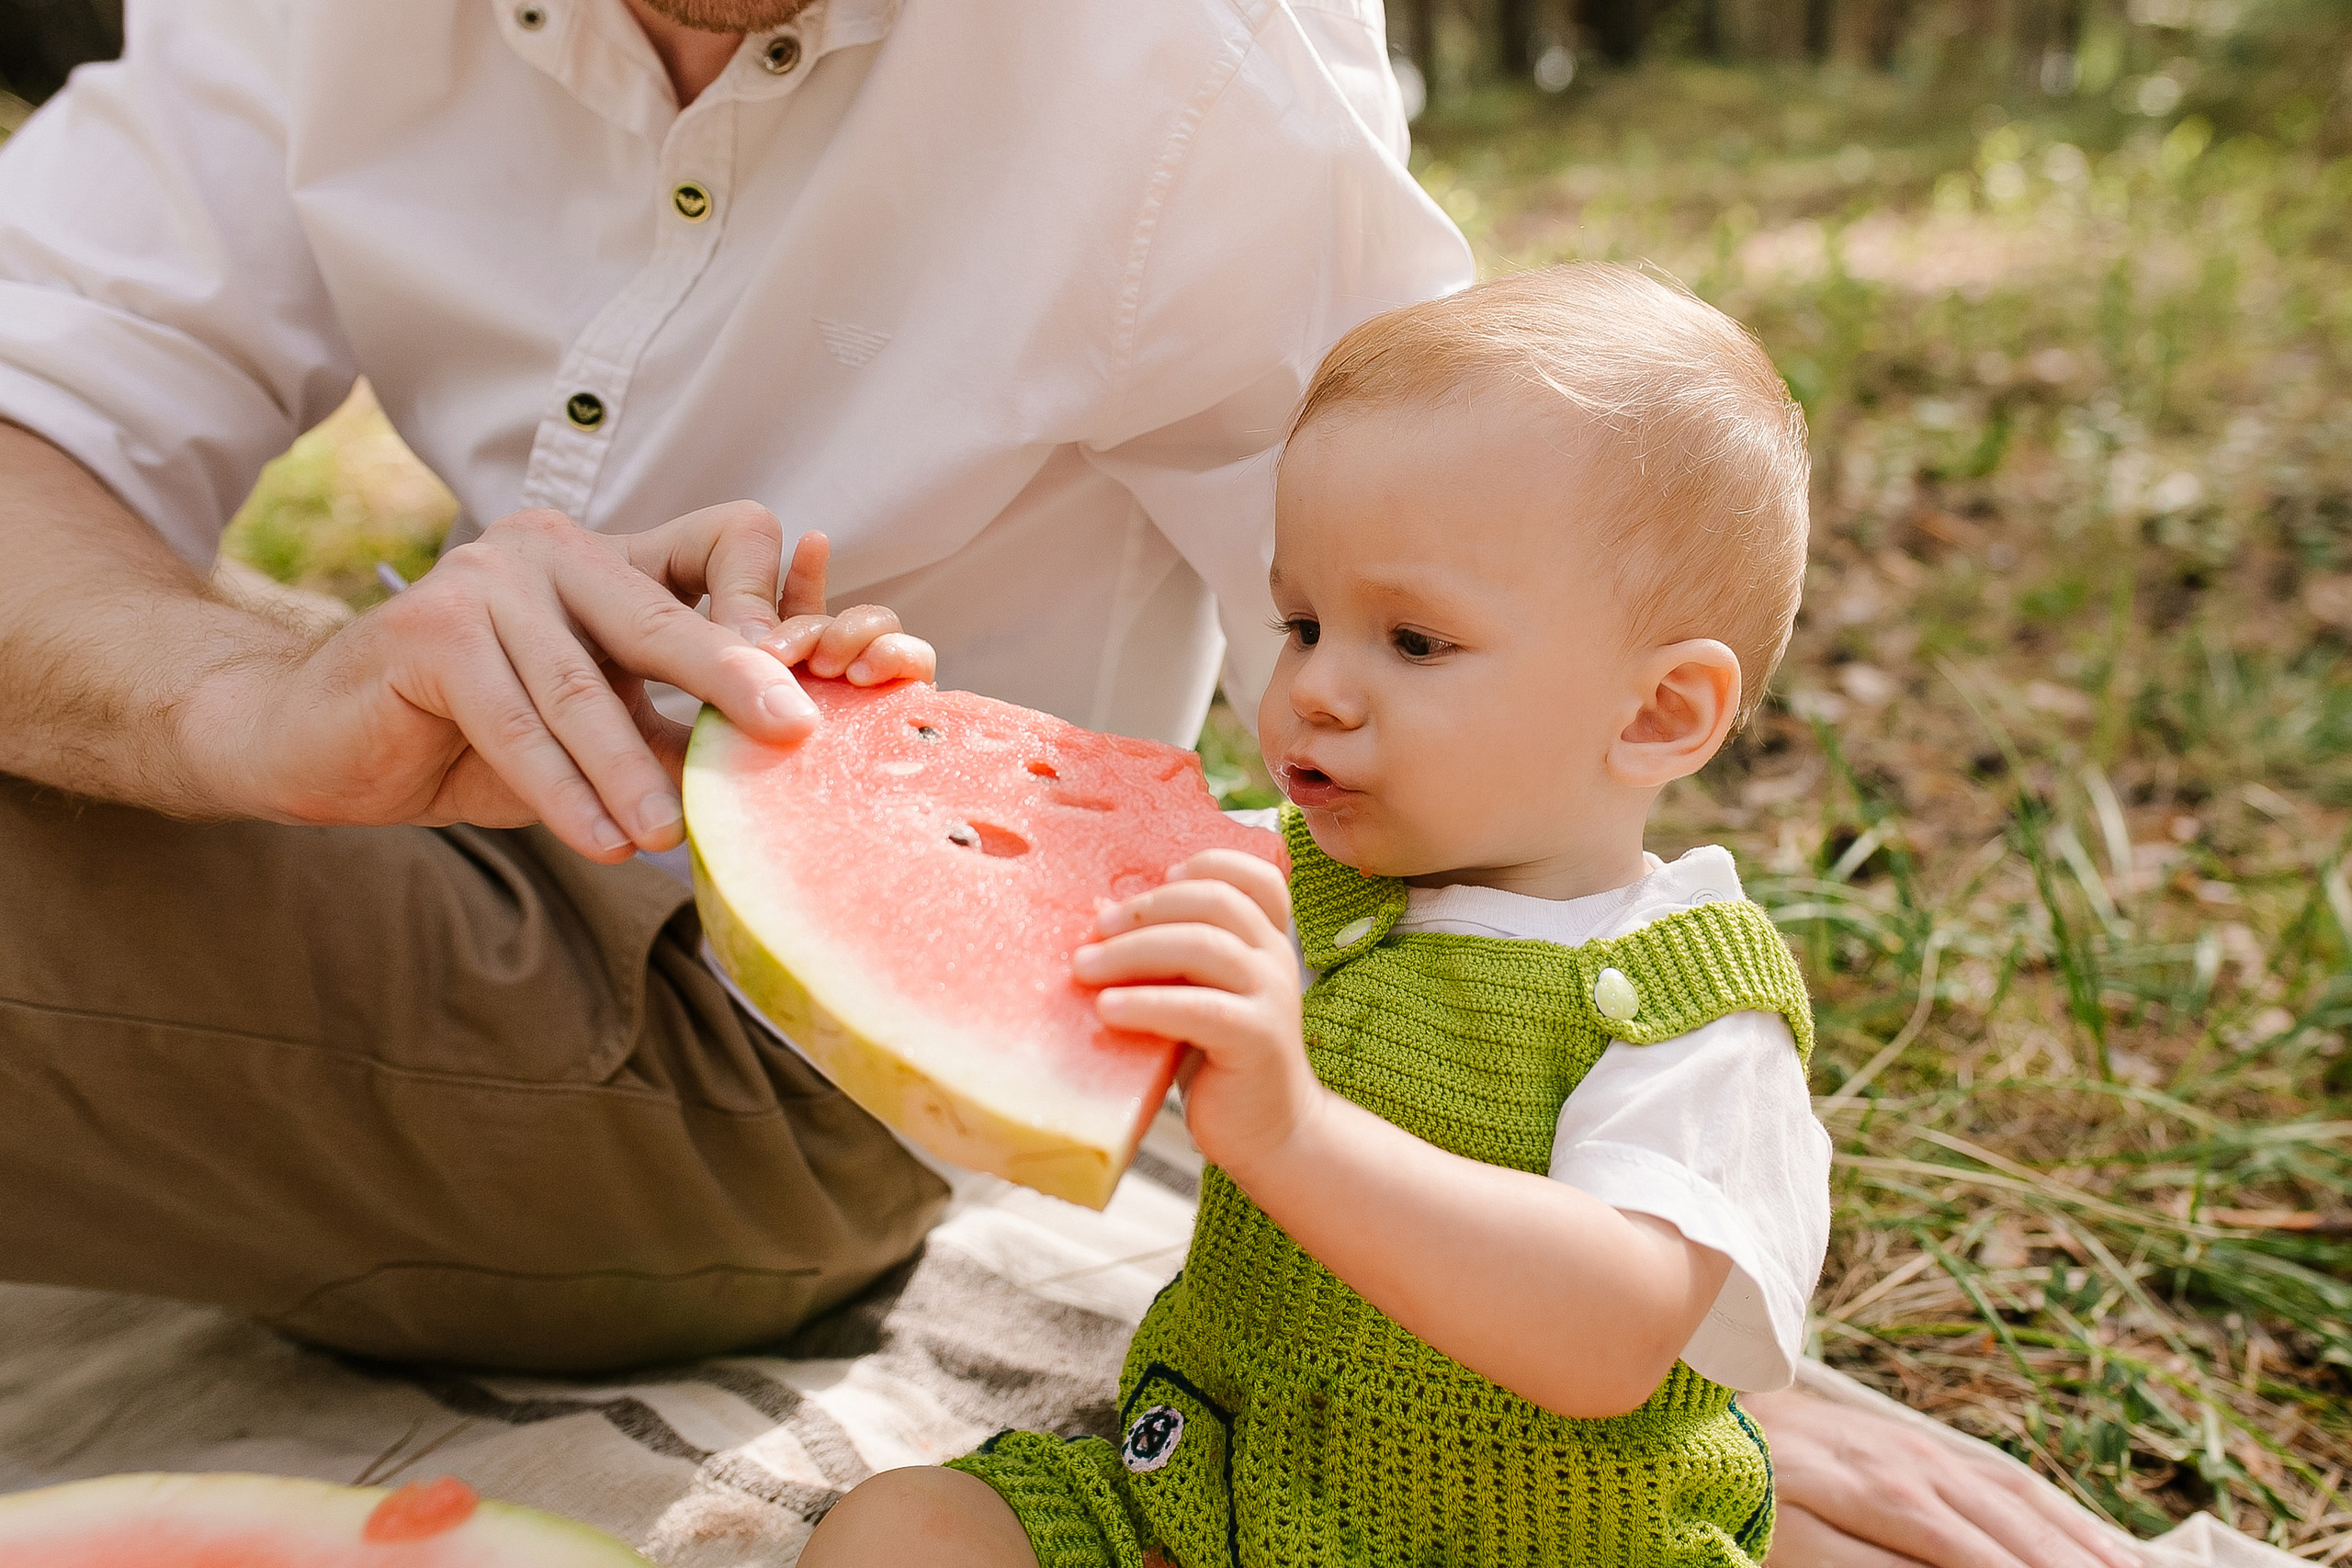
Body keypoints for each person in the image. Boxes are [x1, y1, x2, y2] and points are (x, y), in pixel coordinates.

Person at [0, 6, 2139, 1565]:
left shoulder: (1187, 72)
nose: (1308, 686)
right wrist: (248, 701)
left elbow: (1495, 616)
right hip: (1170, 1452)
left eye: (1372, 645)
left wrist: (1721, 1371)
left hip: (771, 1081)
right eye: (1299, 636)